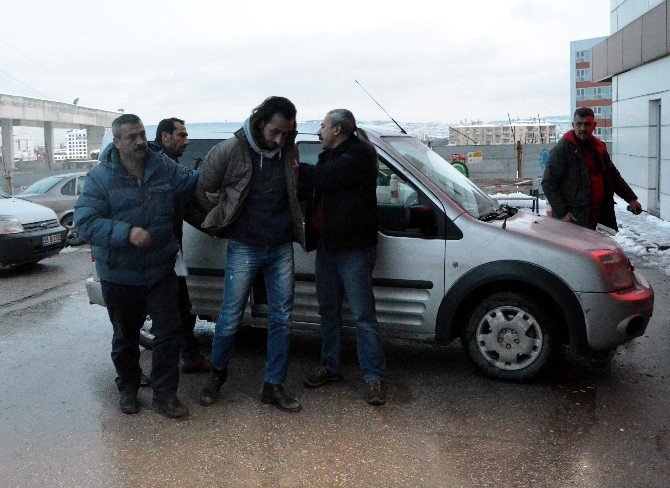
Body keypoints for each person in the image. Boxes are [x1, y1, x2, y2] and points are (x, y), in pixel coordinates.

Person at [74, 114, 199, 418]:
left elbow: (191, 182)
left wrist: (223, 166)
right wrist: (126, 233)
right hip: (120, 274)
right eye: (132, 137)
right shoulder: (100, 177)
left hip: (159, 270)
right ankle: (128, 388)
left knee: (169, 333)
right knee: (126, 337)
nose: (141, 142)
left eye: (142, 135)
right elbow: (85, 223)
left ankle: (165, 395)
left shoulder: (162, 166)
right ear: (117, 142)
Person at [196, 96, 305, 412]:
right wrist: (222, 216)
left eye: (286, 133)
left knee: (282, 319)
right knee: (230, 317)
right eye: (275, 131)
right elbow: (204, 190)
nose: (280, 139)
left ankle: (273, 385)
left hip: (281, 245)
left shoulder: (288, 148)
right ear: (260, 122)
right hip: (245, 245)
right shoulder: (230, 150)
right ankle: (217, 376)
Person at [299, 109, 388, 406]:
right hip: (328, 247)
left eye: (322, 127)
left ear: (337, 130)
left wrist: (296, 168)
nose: (318, 132)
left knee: (363, 316)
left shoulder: (358, 155)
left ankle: (374, 377)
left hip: (353, 248)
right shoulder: (329, 157)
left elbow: (327, 179)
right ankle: (330, 366)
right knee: (328, 310)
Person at [154, 117, 211, 374]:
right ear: (165, 137)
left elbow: (186, 208)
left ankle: (189, 355)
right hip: (152, 254)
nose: (187, 142)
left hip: (172, 253)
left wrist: (218, 225)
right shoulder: (155, 167)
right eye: (182, 136)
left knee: (183, 308)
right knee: (160, 313)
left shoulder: (171, 167)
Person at [542, 107, 642, 231]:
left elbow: (612, 175)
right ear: (573, 125)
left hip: (601, 215)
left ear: (594, 125)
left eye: (587, 124)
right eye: (579, 124)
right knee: (579, 250)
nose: (583, 128)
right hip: (575, 218)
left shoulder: (599, 147)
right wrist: (562, 213)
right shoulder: (562, 150)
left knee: (601, 249)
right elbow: (548, 182)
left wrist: (631, 198)